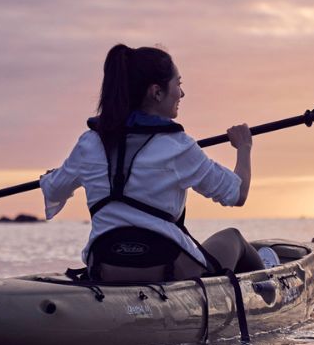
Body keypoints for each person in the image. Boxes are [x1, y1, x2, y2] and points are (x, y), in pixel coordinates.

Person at [39, 44, 276, 282]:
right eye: (178, 84)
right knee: (234, 238)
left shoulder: (88, 144)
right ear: (157, 92)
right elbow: (237, 194)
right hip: (165, 267)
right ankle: (269, 281)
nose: (181, 94)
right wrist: (244, 147)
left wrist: (53, 176)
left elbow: (53, 188)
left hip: (105, 265)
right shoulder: (178, 146)